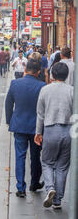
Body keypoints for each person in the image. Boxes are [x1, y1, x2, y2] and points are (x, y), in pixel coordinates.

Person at [35, 62, 74, 209]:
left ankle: (50, 187)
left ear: (52, 74)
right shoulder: (72, 91)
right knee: (62, 167)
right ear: (66, 75)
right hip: (68, 131)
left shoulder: (45, 90)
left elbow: (40, 114)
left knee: (46, 162)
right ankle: (57, 200)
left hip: (50, 129)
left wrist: (38, 132)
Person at [5, 59, 46, 197]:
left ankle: (20, 187)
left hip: (19, 125)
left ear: (25, 69)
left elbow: (8, 103)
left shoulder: (15, 83)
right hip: (36, 127)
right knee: (35, 156)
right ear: (38, 72)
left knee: (20, 156)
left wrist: (9, 120)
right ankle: (34, 183)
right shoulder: (42, 86)